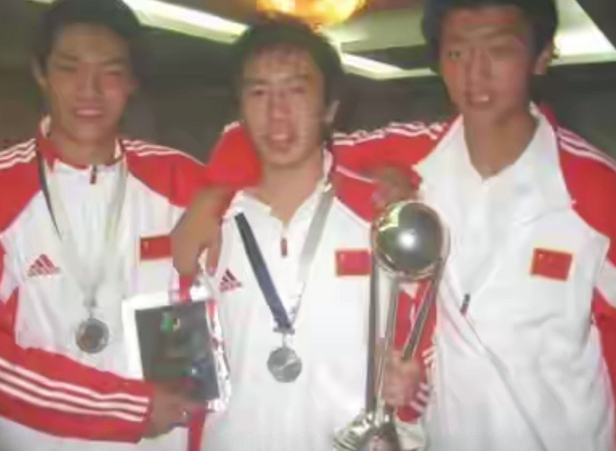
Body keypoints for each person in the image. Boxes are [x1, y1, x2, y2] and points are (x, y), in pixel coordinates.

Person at [173, 0, 616, 450]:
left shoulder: (599, 189)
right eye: (457, 52)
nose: (475, 73)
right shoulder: (413, 152)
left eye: (499, 50)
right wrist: (214, 195)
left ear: (542, 55)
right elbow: (287, 141)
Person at [188, 17, 434, 451]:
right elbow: (181, 362)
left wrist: (414, 386)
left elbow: (430, 345)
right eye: (259, 92)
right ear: (240, 108)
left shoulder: (380, 216)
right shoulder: (209, 224)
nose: (277, 113)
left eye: (296, 91)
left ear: (329, 109)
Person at [0, 0, 205, 449]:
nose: (90, 90)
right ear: (41, 73)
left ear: (132, 81)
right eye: (69, 69)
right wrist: (127, 407)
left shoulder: (182, 182)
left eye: (111, 72)